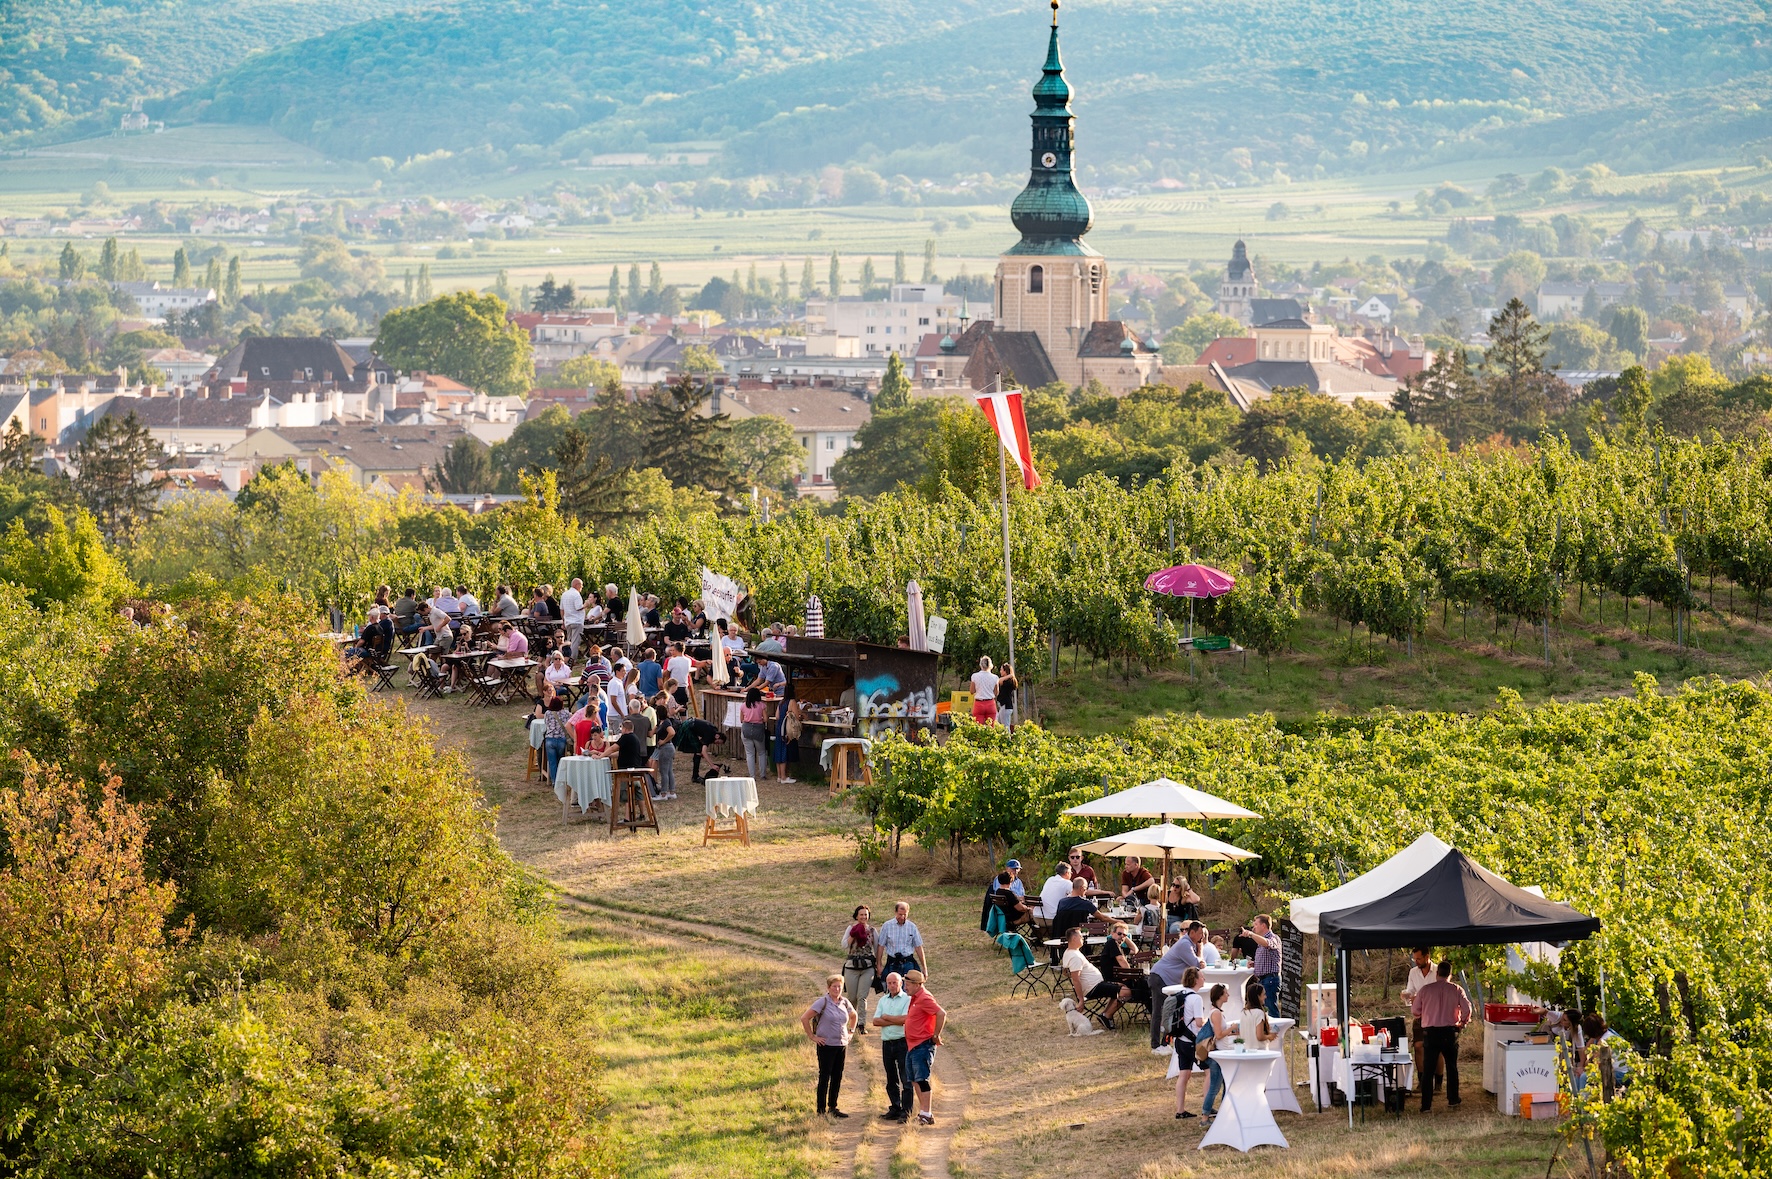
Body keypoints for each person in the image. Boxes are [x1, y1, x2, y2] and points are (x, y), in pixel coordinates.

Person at [1412, 959, 1471, 1110]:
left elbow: (1415, 1011)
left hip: (1431, 1033)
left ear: (1437, 973)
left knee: (1428, 1069)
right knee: (1452, 1067)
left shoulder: (1425, 990)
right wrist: (1462, 1023)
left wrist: (1424, 1014)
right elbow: (1467, 1009)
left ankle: (1426, 1105)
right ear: (1450, 974)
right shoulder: (1457, 989)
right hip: (1450, 1032)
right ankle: (1453, 1099)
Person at [801, 974, 857, 1118]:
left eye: (839, 986)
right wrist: (812, 1037)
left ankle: (833, 1107)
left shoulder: (844, 1002)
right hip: (826, 1045)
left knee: (837, 1076)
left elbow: (854, 1016)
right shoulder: (822, 1002)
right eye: (834, 986)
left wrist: (851, 1032)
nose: (837, 989)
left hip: (841, 1044)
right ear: (828, 987)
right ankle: (820, 1110)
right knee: (825, 1076)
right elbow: (805, 1018)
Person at [898, 971, 945, 1126]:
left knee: (922, 1079)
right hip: (913, 1045)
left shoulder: (924, 997)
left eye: (908, 984)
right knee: (914, 1079)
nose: (905, 987)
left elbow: (941, 1013)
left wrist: (936, 1034)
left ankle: (926, 1113)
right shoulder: (915, 998)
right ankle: (924, 1113)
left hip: (922, 1045)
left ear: (918, 984)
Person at [872, 971, 912, 1122]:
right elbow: (875, 1021)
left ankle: (906, 1111)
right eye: (889, 983)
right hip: (887, 1043)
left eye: (895, 982)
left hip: (902, 1042)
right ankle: (895, 1107)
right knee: (891, 1078)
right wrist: (894, 1020)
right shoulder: (883, 1000)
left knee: (906, 1078)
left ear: (900, 983)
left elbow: (905, 1019)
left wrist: (887, 1018)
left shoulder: (907, 999)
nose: (892, 985)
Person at [1061, 927, 1121, 1023]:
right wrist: (1081, 1000)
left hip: (1095, 985)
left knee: (1121, 986)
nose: (1083, 938)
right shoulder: (1074, 956)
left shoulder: (1070, 952)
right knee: (1124, 991)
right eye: (1081, 936)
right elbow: (1075, 979)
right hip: (1093, 988)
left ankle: (1104, 1014)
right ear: (1074, 939)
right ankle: (1106, 1016)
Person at [1401, 946, 1440, 1092]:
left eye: (1419, 958)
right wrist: (1405, 994)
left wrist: (1423, 997)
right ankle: (1422, 1081)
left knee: (1437, 1048)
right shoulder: (1413, 972)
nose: (1416, 961)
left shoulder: (1437, 971)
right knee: (1418, 1046)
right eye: (1414, 959)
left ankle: (1438, 1082)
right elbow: (1410, 990)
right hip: (1420, 1015)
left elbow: (1441, 991)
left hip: (1436, 1015)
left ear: (1427, 956)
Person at [1172, 966, 1208, 1118]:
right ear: (1195, 980)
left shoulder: (1180, 995)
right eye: (1201, 977)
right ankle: (1208, 1107)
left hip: (1180, 1040)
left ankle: (1180, 1110)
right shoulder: (1197, 998)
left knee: (1184, 1074)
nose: (1204, 979)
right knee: (1210, 1072)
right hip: (1193, 1042)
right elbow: (1199, 1023)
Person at [1199, 983, 1235, 1120]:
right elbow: (1219, 1035)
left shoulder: (1216, 1011)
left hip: (1221, 1051)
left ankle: (1225, 1112)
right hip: (1218, 1054)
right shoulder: (1216, 1013)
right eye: (1226, 993)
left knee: (1226, 1084)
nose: (1228, 995)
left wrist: (1231, 1032)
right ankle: (1205, 1117)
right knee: (1215, 1087)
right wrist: (1231, 1028)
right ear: (1220, 996)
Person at [841, 906, 876, 1034]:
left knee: (862, 997)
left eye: (865, 915)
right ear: (856, 916)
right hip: (851, 966)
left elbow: (877, 949)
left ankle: (861, 1024)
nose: (863, 917)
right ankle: (851, 1022)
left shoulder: (872, 931)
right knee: (852, 997)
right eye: (861, 915)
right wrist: (853, 935)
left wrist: (879, 966)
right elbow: (844, 945)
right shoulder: (851, 929)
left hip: (867, 967)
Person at [875, 901, 926, 982]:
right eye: (900, 914)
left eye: (904, 915)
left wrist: (924, 967)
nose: (902, 917)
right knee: (893, 989)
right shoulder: (887, 926)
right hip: (893, 963)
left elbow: (919, 947)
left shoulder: (912, 927)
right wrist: (879, 964)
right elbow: (880, 946)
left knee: (909, 989)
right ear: (895, 912)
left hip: (908, 963)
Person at [1246, 913, 1282, 1017]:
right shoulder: (1260, 940)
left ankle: (1276, 1031)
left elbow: (1268, 944)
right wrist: (1255, 964)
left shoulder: (1273, 938)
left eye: (1256, 924)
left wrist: (1251, 934)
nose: (1254, 927)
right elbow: (1268, 958)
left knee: (1270, 1008)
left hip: (1270, 979)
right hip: (1263, 980)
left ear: (1263, 926)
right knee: (1264, 1008)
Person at [674, 714, 721, 783]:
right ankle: (695, 777)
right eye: (718, 742)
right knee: (698, 750)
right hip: (688, 726)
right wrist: (712, 765)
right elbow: (704, 752)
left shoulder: (713, 731)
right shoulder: (710, 734)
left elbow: (702, 741)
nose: (717, 744)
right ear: (717, 736)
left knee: (698, 750)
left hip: (690, 724)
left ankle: (695, 776)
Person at [649, 697, 679, 800]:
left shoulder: (666, 722)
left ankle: (663, 793)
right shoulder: (660, 723)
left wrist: (663, 741)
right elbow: (651, 733)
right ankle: (672, 791)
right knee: (669, 770)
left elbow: (672, 733)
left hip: (666, 748)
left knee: (664, 771)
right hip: (667, 748)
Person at [740, 685, 771, 782]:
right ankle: (762, 774)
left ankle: (752, 775)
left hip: (746, 729)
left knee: (749, 753)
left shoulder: (743, 705)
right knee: (761, 753)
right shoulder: (761, 705)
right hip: (758, 729)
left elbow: (741, 720)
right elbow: (766, 719)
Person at [539, 694, 571, 785]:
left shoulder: (548, 713)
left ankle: (555, 781)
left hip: (550, 739)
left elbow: (546, 723)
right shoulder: (566, 713)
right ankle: (562, 780)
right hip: (561, 739)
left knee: (552, 762)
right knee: (561, 760)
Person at [1239, 979, 1279, 1051]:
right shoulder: (1259, 1013)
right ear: (1258, 996)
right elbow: (1260, 1036)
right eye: (1263, 994)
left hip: (1246, 1049)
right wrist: (1270, 1036)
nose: (1265, 997)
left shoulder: (1243, 1012)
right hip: (1259, 1050)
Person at [969, 656, 998, 724]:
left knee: (978, 727)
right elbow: (996, 693)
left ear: (980, 665)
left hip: (979, 703)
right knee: (991, 727)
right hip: (990, 703)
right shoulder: (995, 677)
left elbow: (972, 691)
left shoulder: (975, 676)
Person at [561, 578, 586, 656]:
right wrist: (586, 605)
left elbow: (562, 609)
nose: (582, 587)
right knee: (575, 642)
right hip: (577, 621)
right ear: (577, 585)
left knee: (569, 641)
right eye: (581, 586)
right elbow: (578, 607)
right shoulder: (576, 594)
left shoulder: (564, 594)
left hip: (568, 621)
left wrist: (563, 620)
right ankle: (572, 659)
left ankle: (566, 656)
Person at [995, 663, 1018, 728]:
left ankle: (1007, 737)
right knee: (998, 723)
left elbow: (998, 681)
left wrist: (1010, 676)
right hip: (1003, 706)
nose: (1000, 671)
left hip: (1005, 706)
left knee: (1005, 726)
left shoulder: (1008, 682)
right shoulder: (1006, 679)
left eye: (1001, 670)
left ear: (1005, 671)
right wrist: (1010, 675)